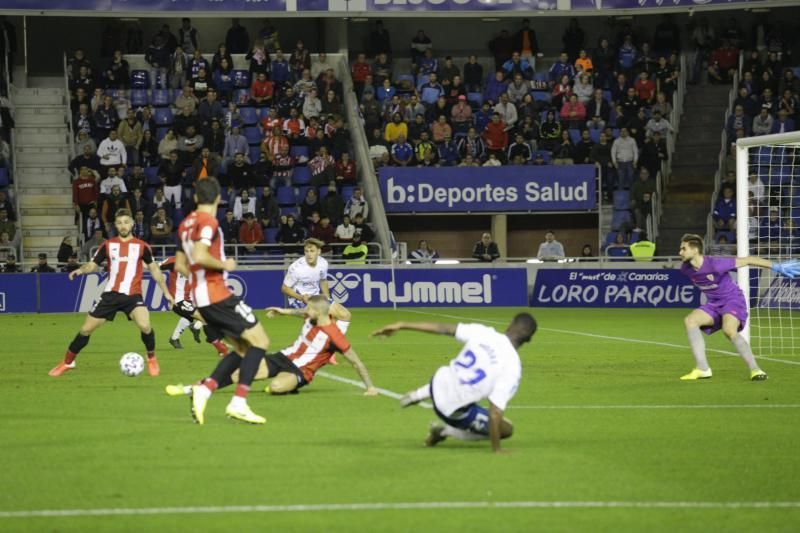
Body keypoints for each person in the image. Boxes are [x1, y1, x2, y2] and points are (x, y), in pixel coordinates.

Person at [175, 177, 272, 424]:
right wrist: (223, 265)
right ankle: (238, 403)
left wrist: (198, 278)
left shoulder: (185, 224)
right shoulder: (208, 222)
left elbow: (179, 265)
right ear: (218, 198)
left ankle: (205, 390)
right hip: (216, 293)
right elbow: (200, 255)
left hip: (201, 296)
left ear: (196, 198)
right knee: (260, 341)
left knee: (242, 348)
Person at [371, 313, 537, 452]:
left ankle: (422, 393)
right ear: (528, 340)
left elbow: (442, 328)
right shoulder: (512, 367)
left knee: (459, 377)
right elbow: (495, 413)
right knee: (506, 429)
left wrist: (402, 324)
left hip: (437, 380)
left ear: (509, 325)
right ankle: (445, 431)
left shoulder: (484, 332)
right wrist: (497, 449)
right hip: (451, 409)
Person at [167, 296, 377, 398]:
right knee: (239, 374)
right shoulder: (310, 316)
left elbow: (355, 361)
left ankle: (288, 386)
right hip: (283, 357)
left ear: (320, 313)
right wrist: (282, 311)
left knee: (276, 388)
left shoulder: (335, 335)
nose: (306, 310)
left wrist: (370, 386)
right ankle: (192, 389)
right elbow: (298, 313)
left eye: (310, 308)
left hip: (302, 371)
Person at [49, 209, 174, 377]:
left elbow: (154, 270)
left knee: (145, 326)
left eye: (126, 222)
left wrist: (166, 293)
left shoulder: (142, 246)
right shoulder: (108, 245)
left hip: (133, 295)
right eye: (119, 223)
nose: (123, 226)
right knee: (85, 330)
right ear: (116, 225)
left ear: (131, 224)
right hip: (110, 295)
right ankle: (67, 362)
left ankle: (151, 358)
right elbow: (93, 264)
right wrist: (81, 270)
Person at [677, 234, 800, 382]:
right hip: (714, 303)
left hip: (733, 300)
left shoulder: (715, 264)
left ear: (695, 249)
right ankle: (703, 369)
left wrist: (776, 266)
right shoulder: (686, 268)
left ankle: (756, 370)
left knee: (729, 330)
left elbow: (748, 260)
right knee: (690, 321)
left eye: (683, 248)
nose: (680, 253)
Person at [160, 256, 229, 356]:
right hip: (178, 301)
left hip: (191, 299)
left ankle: (176, 338)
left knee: (195, 316)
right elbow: (155, 267)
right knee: (205, 318)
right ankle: (216, 342)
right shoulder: (174, 260)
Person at [281, 238, 330, 309]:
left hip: (315, 297)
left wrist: (327, 299)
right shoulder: (296, 268)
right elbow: (284, 288)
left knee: (344, 315)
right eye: (306, 251)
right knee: (317, 316)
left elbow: (323, 280)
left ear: (319, 251)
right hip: (298, 299)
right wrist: (301, 298)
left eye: (312, 251)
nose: (309, 254)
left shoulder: (323, 263)